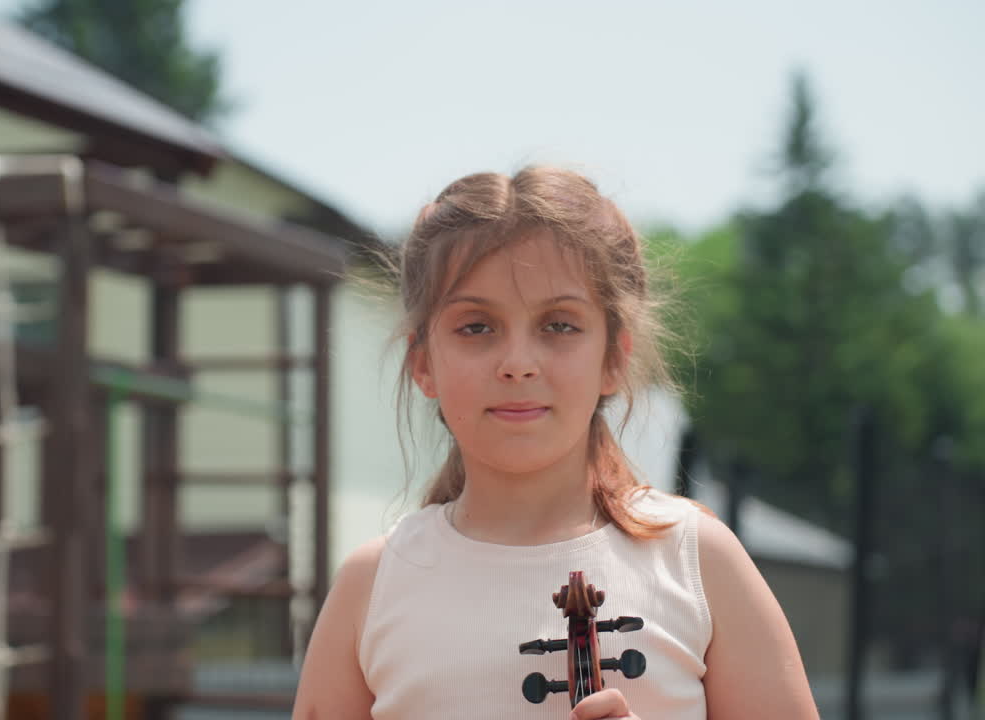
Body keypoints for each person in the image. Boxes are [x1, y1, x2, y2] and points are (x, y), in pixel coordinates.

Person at [291, 167, 819, 719]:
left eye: (559, 325)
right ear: (423, 363)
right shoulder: (370, 585)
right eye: (476, 327)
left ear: (613, 358)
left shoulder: (699, 561)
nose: (518, 363)